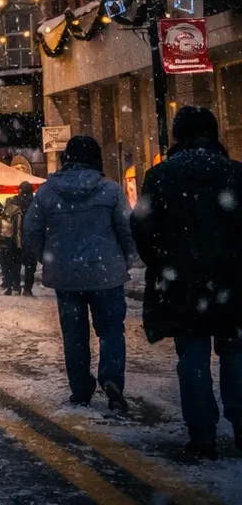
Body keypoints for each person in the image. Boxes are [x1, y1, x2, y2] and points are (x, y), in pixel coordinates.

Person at [132, 105, 242, 459]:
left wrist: (163, 262)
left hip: (183, 282)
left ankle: (202, 435)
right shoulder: (235, 175)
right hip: (233, 281)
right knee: (235, 353)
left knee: (192, 358)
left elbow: (142, 228)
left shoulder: (161, 176)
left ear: (177, 136)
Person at [24, 134, 137, 412]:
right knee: (111, 330)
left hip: (66, 276)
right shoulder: (110, 190)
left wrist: (47, 257)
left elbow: (31, 230)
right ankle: (111, 380)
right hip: (106, 274)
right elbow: (127, 229)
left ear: (66, 159)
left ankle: (81, 388)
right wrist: (126, 260)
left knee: (74, 334)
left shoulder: (47, 193)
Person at [0, 194, 24, 295]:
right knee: (15, 267)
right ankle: (15, 286)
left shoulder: (1, 216)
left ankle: (10, 286)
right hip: (15, 245)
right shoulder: (19, 215)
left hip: (4, 245)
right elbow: (21, 231)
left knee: (7, 267)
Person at [12, 181, 39, 296]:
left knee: (15, 263)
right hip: (30, 238)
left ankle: (16, 286)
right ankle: (27, 288)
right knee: (30, 265)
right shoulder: (35, 203)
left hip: (15, 238)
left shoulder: (14, 201)